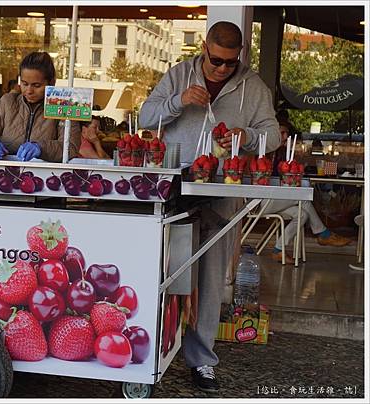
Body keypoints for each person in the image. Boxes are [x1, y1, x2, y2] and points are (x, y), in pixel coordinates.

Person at [140, 21, 281, 393]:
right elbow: (145, 116)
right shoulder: (179, 74)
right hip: (176, 186)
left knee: (211, 276)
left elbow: (274, 133)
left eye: (229, 64)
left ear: (240, 58)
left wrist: (247, 136)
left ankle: (202, 360)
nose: (221, 69)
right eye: (216, 60)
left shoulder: (253, 87)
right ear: (204, 47)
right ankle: (152, 348)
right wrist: (178, 101)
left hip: (222, 187)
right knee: (166, 273)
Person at [0, 52, 81, 162]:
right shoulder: (8, 102)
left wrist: (41, 148)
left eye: (36, 85)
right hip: (5, 173)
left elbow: (71, 148)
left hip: (45, 176)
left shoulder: (64, 106)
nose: (29, 91)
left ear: (52, 82)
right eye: (24, 84)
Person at [264, 116, 350, 264]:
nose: (285, 137)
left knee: (302, 214)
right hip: (259, 201)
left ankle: (278, 250)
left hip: (274, 199)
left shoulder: (281, 154)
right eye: (282, 132)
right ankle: (323, 234)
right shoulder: (263, 152)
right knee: (303, 199)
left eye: (287, 134)